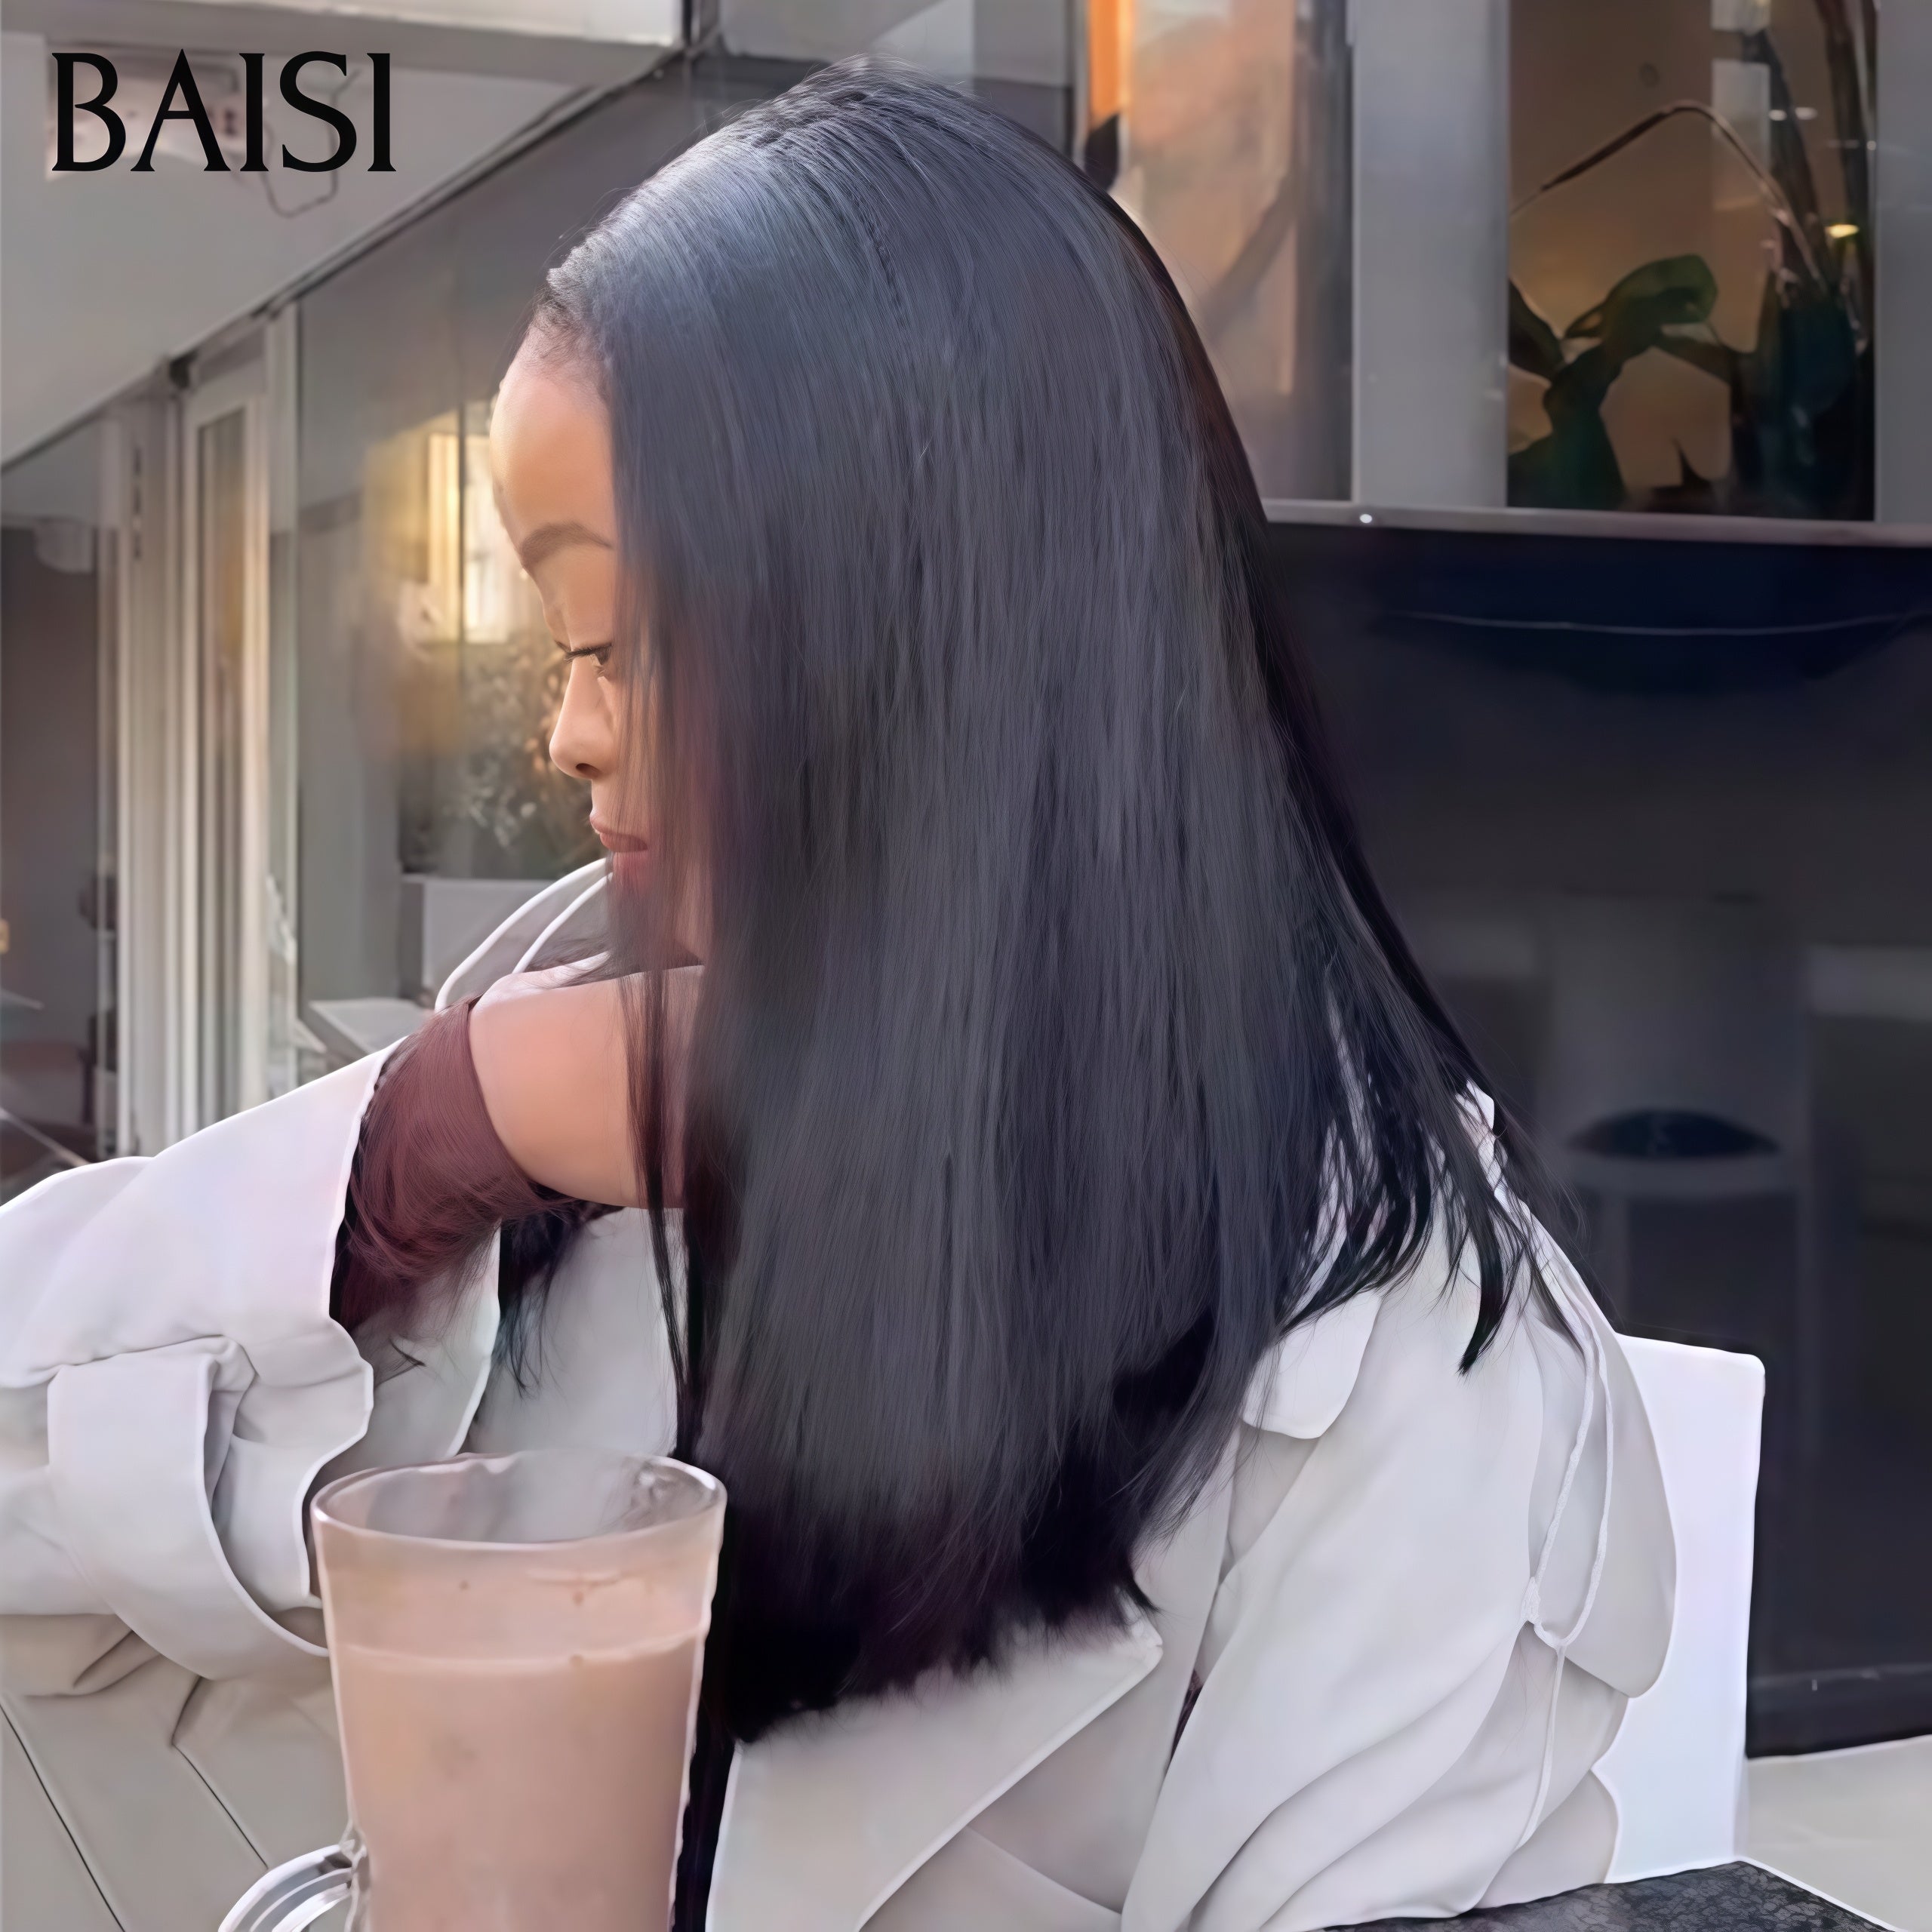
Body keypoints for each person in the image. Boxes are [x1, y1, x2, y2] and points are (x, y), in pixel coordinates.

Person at [0, 65, 1672, 1932]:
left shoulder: (1408, 1387)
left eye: (612, 640)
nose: (563, 732)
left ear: (928, 649)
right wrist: (426, 1137)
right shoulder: (582, 1073)